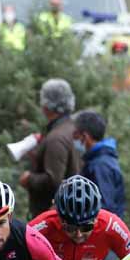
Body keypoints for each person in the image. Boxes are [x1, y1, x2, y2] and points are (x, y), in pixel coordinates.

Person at [20, 78, 80, 214]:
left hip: (52, 216)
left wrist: (28, 179)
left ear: (46, 106)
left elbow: (53, 180)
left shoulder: (56, 138)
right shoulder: (73, 128)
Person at [75, 110, 127, 219]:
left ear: (85, 136)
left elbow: (104, 209)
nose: (74, 140)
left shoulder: (100, 166)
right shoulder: (99, 160)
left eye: (76, 135)